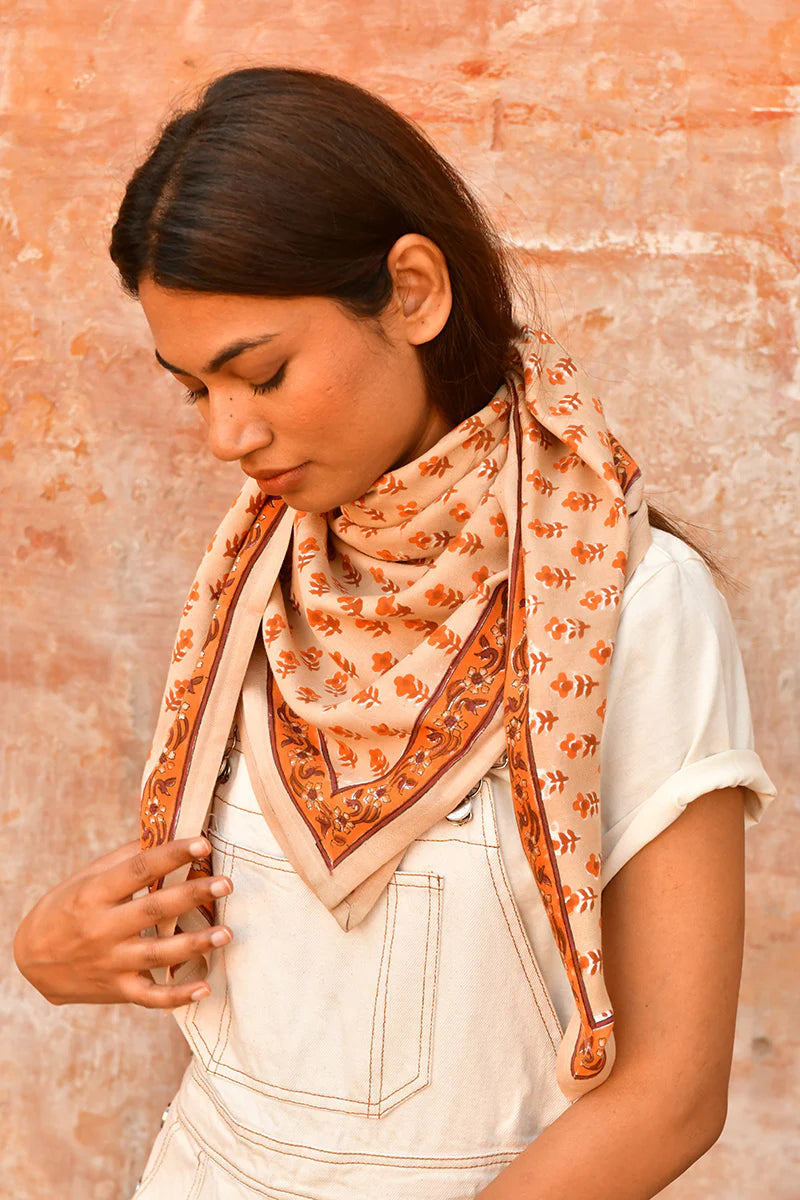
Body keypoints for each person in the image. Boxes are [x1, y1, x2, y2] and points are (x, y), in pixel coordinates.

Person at [13, 66, 776, 1200]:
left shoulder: (636, 606)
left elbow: (670, 1096)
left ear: (413, 293)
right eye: (195, 391)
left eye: (260, 372)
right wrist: (48, 951)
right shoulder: (257, 579)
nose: (227, 436)